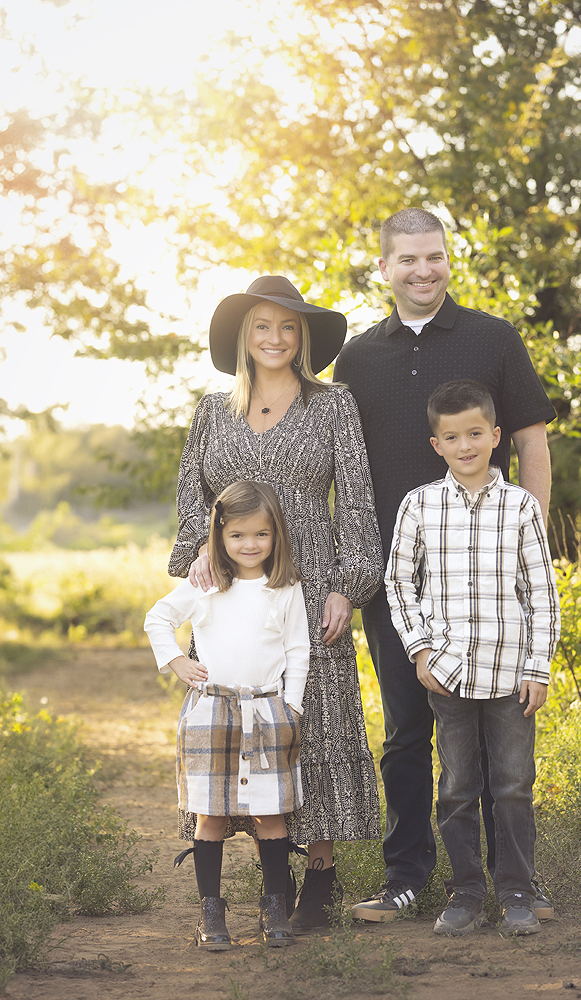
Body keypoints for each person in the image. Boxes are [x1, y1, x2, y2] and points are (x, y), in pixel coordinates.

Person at [333, 208, 557, 921]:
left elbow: (532, 443)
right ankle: (408, 878)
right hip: (396, 579)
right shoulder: (358, 359)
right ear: (383, 269)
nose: (422, 271)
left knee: (496, 733)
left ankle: (512, 882)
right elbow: (340, 468)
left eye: (433, 257)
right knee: (406, 729)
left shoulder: (494, 338)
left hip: (493, 578)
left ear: (448, 260)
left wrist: (532, 545)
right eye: (407, 260)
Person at [169, 275, 383, 933]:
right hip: (231, 593)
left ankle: (318, 875)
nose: (275, 338)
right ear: (243, 336)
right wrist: (196, 555)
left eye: (289, 327)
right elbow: (189, 500)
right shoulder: (212, 410)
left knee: (308, 721)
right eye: (262, 326)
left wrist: (351, 584)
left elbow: (355, 502)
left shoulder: (333, 405)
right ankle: (263, 885)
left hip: (311, 583)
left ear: (304, 338)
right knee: (236, 724)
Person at [386, 380, 560, 936]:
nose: (466, 446)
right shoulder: (420, 505)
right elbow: (398, 582)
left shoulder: (520, 508)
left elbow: (542, 593)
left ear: (496, 437)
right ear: (437, 444)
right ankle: (463, 893)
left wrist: (538, 667)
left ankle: (516, 893)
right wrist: (420, 650)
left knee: (512, 784)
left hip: (512, 674)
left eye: (476, 434)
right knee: (457, 786)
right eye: (453, 437)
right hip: (450, 674)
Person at [145, 481, 309, 948]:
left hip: (267, 711)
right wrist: (177, 662)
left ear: (276, 534)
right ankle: (211, 914)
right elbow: (156, 618)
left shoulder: (285, 587)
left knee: (270, 814)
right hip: (211, 712)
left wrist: (291, 706)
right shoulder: (205, 584)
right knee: (211, 815)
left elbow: (298, 649)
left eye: (261, 534)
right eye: (237, 536)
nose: (250, 545)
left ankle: (275, 906)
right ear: (219, 536)